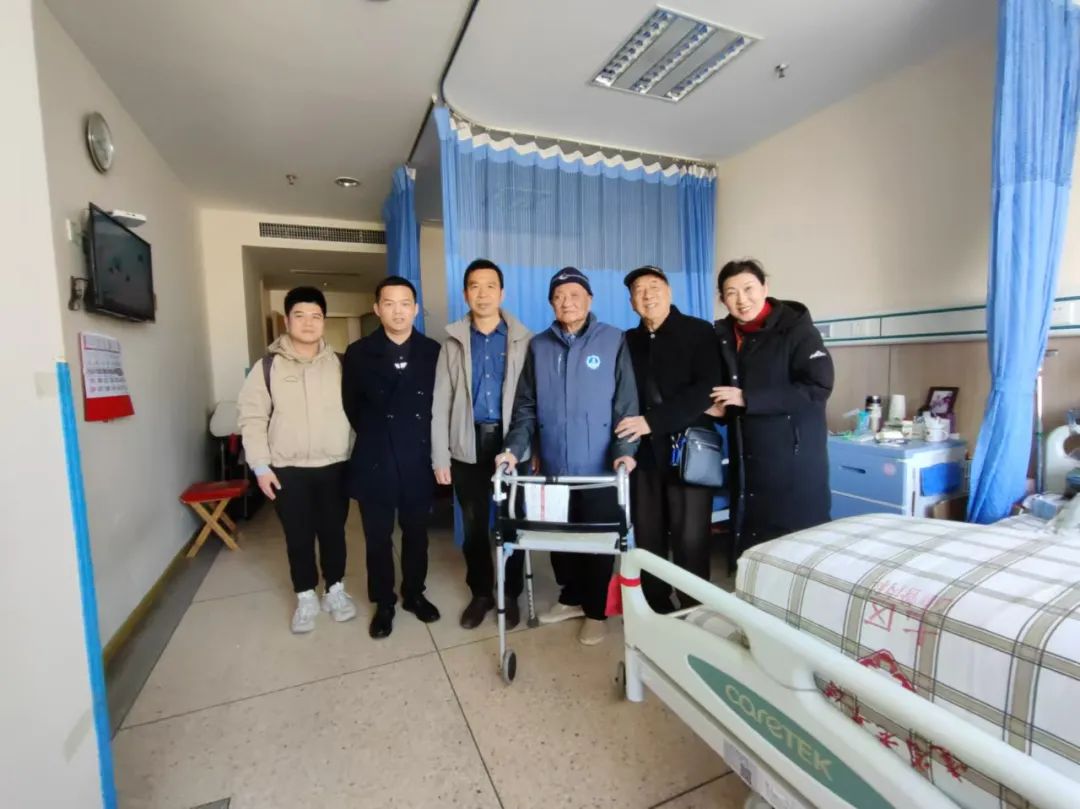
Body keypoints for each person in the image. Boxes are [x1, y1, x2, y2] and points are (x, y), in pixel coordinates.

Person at [496, 267, 639, 646]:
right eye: (559, 297)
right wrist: (514, 449)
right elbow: (526, 406)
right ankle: (571, 597)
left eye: (575, 295)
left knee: (596, 541)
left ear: (590, 299)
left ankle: (596, 612)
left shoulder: (613, 339)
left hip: (599, 468)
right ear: (551, 303)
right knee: (559, 538)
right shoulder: (540, 346)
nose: (567, 302)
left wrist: (625, 453)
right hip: (554, 464)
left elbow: (626, 405)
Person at [237, 286, 355, 634]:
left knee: (334, 533)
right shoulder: (267, 367)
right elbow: (252, 418)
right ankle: (305, 595)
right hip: (287, 469)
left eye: (316, 316)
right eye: (300, 316)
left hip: (335, 465)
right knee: (298, 536)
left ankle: (335, 590)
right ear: (287, 321)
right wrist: (260, 466)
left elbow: (358, 414)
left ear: (324, 321)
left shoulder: (341, 364)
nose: (308, 323)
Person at [710, 259, 833, 569]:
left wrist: (747, 398)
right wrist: (720, 410)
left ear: (765, 288)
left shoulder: (797, 330)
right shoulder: (725, 335)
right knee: (753, 546)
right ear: (722, 299)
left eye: (749, 288)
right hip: (746, 454)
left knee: (795, 547)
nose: (742, 299)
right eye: (731, 292)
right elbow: (729, 391)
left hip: (791, 456)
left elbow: (818, 387)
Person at [431, 259, 533, 630]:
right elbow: (440, 402)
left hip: (512, 447)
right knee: (474, 528)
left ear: (502, 293)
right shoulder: (453, 342)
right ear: (465, 294)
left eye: (490, 286)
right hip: (467, 446)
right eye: (475, 286)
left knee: (512, 524)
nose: (483, 293)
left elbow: (534, 401)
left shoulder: (524, 340)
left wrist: (532, 450)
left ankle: (510, 593)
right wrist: (440, 455)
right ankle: (481, 594)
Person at [615, 266, 721, 612]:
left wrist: (652, 421)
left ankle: (695, 610)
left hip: (690, 453)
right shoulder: (627, 341)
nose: (647, 295)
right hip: (644, 456)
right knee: (648, 537)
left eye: (654, 286)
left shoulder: (699, 332)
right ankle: (656, 608)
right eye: (639, 290)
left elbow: (706, 389)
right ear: (631, 302)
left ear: (670, 292)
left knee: (691, 540)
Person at [342, 276, 442, 639]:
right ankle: (383, 602)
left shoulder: (433, 351)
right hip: (376, 458)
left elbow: (439, 406)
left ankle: (414, 593)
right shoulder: (358, 353)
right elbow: (351, 406)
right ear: (377, 309)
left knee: (417, 534)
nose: (398, 311)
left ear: (415, 309)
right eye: (389, 303)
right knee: (377, 538)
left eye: (405, 303)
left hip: (418, 456)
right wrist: (379, 437)